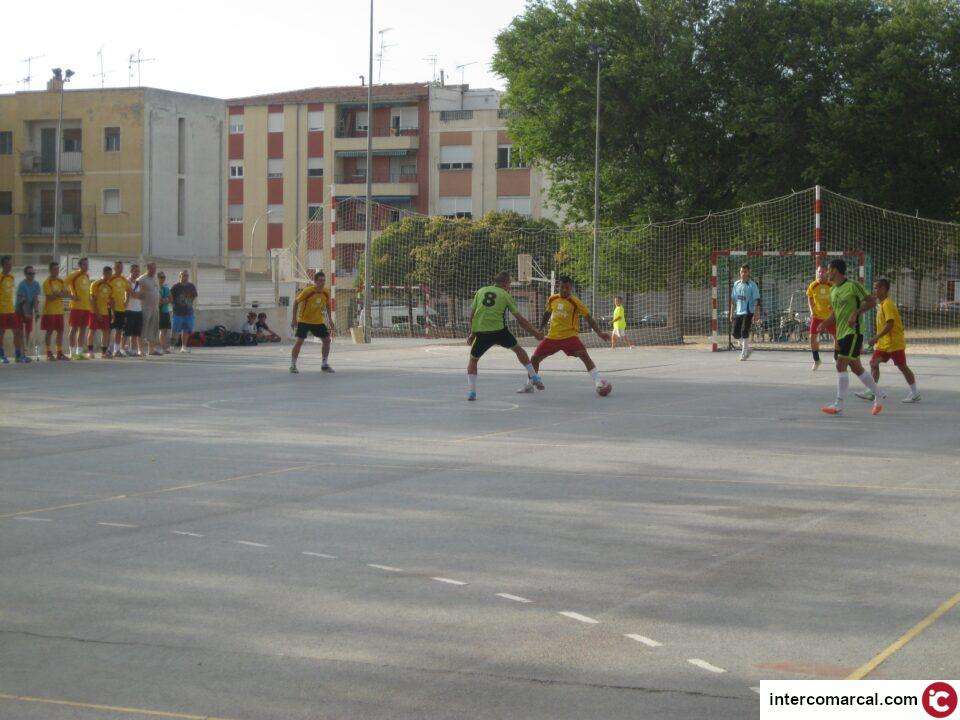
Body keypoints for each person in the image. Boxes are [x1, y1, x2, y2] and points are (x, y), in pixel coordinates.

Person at [819, 258, 886, 416]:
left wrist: (856, 312)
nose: (828, 272)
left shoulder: (853, 285)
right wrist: (823, 324)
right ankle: (879, 395)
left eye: (829, 269)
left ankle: (839, 404)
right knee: (857, 368)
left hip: (853, 332)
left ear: (835, 270)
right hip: (841, 333)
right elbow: (835, 314)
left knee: (840, 364)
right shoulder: (833, 290)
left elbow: (871, 301)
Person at [465, 271, 544, 401]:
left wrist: (472, 334)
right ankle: (534, 376)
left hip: (481, 332)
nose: (510, 286)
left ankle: (472, 393)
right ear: (505, 283)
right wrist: (536, 334)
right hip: (499, 331)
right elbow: (520, 320)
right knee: (518, 350)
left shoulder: (480, 291)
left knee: (473, 360)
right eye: (510, 284)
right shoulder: (505, 295)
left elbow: (473, 315)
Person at [528, 275, 611, 394]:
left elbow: (589, 318)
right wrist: (540, 329)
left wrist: (600, 333)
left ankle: (598, 381)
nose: (564, 290)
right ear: (558, 286)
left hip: (570, 337)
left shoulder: (575, 301)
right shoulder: (552, 299)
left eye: (567, 288)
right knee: (534, 358)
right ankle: (530, 384)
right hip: (553, 337)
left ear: (571, 288)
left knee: (584, 355)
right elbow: (547, 314)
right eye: (562, 287)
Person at [856, 278, 920, 404]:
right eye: (874, 287)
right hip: (884, 344)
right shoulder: (880, 305)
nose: (875, 290)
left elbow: (890, 324)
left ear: (885, 290)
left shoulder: (888, 304)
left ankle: (915, 393)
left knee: (903, 367)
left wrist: (875, 338)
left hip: (894, 344)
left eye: (877, 288)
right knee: (873, 363)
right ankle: (872, 391)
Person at [289, 270, 334, 374]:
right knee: (299, 341)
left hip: (318, 321)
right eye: (320, 280)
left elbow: (327, 305)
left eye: (324, 280)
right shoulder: (308, 291)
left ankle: (324, 364)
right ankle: (293, 365)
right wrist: (294, 319)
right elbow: (296, 303)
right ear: (315, 281)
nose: (322, 282)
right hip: (304, 320)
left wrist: (330, 319)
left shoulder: (326, 292)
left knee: (327, 340)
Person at [806, 264, 834, 370]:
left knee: (837, 337)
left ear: (827, 272)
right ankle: (817, 360)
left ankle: (836, 357)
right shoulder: (813, 285)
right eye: (819, 272)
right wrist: (811, 310)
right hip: (817, 316)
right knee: (812, 337)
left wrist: (833, 305)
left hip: (830, 316)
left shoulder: (832, 285)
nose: (820, 273)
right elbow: (809, 298)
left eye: (822, 272)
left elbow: (837, 297)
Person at [730, 264, 761, 360]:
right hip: (738, 312)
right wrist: (731, 313)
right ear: (740, 272)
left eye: (745, 272)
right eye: (742, 272)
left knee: (744, 331)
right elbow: (733, 300)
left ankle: (744, 353)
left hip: (748, 312)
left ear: (749, 273)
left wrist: (755, 314)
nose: (743, 274)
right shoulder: (736, 284)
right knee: (735, 334)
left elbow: (757, 301)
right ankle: (747, 347)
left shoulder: (752, 285)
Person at [41, 261, 70, 361]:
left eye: (58, 269)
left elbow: (66, 293)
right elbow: (50, 297)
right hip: (49, 311)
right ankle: (49, 353)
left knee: (60, 331)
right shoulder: (47, 282)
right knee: (49, 332)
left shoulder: (61, 281)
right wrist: (59, 294)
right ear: (50, 270)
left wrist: (58, 294)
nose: (57, 271)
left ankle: (59, 353)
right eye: (54, 269)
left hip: (59, 311)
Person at [65, 257, 92, 360]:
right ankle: (72, 353)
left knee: (83, 329)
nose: (87, 266)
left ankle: (79, 352)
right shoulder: (74, 275)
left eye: (87, 264)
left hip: (86, 307)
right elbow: (63, 285)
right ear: (80, 265)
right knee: (74, 329)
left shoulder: (87, 276)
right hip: (76, 307)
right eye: (84, 264)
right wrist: (72, 297)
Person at [15, 265, 41, 363]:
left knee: (28, 333)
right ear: (25, 274)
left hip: (29, 311)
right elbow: (22, 301)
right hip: (19, 311)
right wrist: (25, 313)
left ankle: (24, 354)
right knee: (21, 333)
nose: (32, 275)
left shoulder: (36, 284)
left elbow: (35, 299)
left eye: (33, 273)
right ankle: (21, 355)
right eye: (30, 273)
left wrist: (37, 311)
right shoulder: (22, 285)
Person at [0, 256, 23, 364]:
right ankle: (1, 355)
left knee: (17, 331)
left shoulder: (11, 277)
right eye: (7, 264)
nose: (10, 266)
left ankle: (18, 355)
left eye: (10, 264)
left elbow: (12, 293)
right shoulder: (0, 277)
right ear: (3, 265)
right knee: (1, 332)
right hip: (1, 310)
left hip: (11, 310)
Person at [89, 266, 114, 359]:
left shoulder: (110, 286)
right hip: (94, 312)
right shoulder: (95, 284)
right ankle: (90, 351)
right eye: (110, 274)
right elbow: (92, 300)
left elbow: (110, 301)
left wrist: (112, 313)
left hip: (105, 312)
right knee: (92, 331)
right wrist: (97, 313)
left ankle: (104, 352)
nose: (111, 276)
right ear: (105, 273)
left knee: (106, 332)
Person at [170, 270, 198, 353]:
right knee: (175, 330)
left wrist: (189, 302)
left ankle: (184, 347)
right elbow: (170, 297)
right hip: (178, 313)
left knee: (186, 330)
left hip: (189, 313)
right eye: (183, 275)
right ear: (180, 276)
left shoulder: (191, 286)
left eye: (186, 275)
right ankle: (172, 347)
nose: (185, 277)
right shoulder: (175, 287)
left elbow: (194, 296)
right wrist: (175, 305)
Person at [108, 260, 131, 356]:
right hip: (110, 308)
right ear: (114, 268)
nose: (120, 269)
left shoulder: (123, 279)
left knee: (119, 330)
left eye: (121, 267)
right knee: (108, 330)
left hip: (121, 309)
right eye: (118, 267)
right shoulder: (110, 278)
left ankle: (116, 350)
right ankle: (107, 349)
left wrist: (126, 301)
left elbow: (128, 291)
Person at [138, 262, 161, 355]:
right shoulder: (142, 279)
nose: (154, 270)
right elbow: (136, 290)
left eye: (155, 269)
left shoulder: (155, 278)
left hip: (155, 308)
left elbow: (157, 291)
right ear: (148, 268)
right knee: (143, 328)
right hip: (145, 308)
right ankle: (140, 350)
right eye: (152, 269)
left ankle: (151, 349)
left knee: (153, 329)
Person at [123, 264, 144, 357]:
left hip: (138, 309)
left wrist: (137, 294)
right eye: (135, 271)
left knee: (136, 332)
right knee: (127, 331)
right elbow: (133, 294)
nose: (137, 273)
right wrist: (137, 294)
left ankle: (133, 350)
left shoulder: (138, 282)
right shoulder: (127, 281)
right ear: (131, 271)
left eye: (138, 271)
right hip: (129, 309)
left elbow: (143, 295)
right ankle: (122, 349)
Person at [158, 272, 172, 353]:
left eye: (164, 277)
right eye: (161, 277)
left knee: (166, 329)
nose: (162, 279)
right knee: (162, 329)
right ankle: (163, 347)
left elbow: (171, 299)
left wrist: (166, 300)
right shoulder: (156, 288)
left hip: (166, 311)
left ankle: (164, 346)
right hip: (160, 311)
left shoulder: (166, 288)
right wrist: (166, 300)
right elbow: (159, 301)